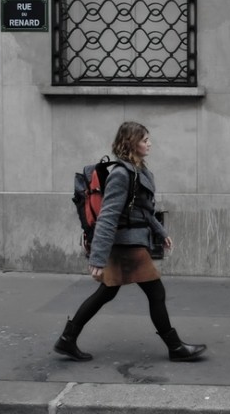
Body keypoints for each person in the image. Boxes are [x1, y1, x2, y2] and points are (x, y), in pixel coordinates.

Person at [54, 121, 206, 362]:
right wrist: (97, 257)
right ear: (131, 143)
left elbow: (143, 211)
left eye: (148, 139)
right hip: (127, 245)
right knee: (156, 292)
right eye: (145, 140)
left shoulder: (138, 172)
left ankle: (67, 339)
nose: (149, 144)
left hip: (130, 242)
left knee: (107, 292)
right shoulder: (121, 174)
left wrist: (160, 232)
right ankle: (175, 347)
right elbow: (108, 216)